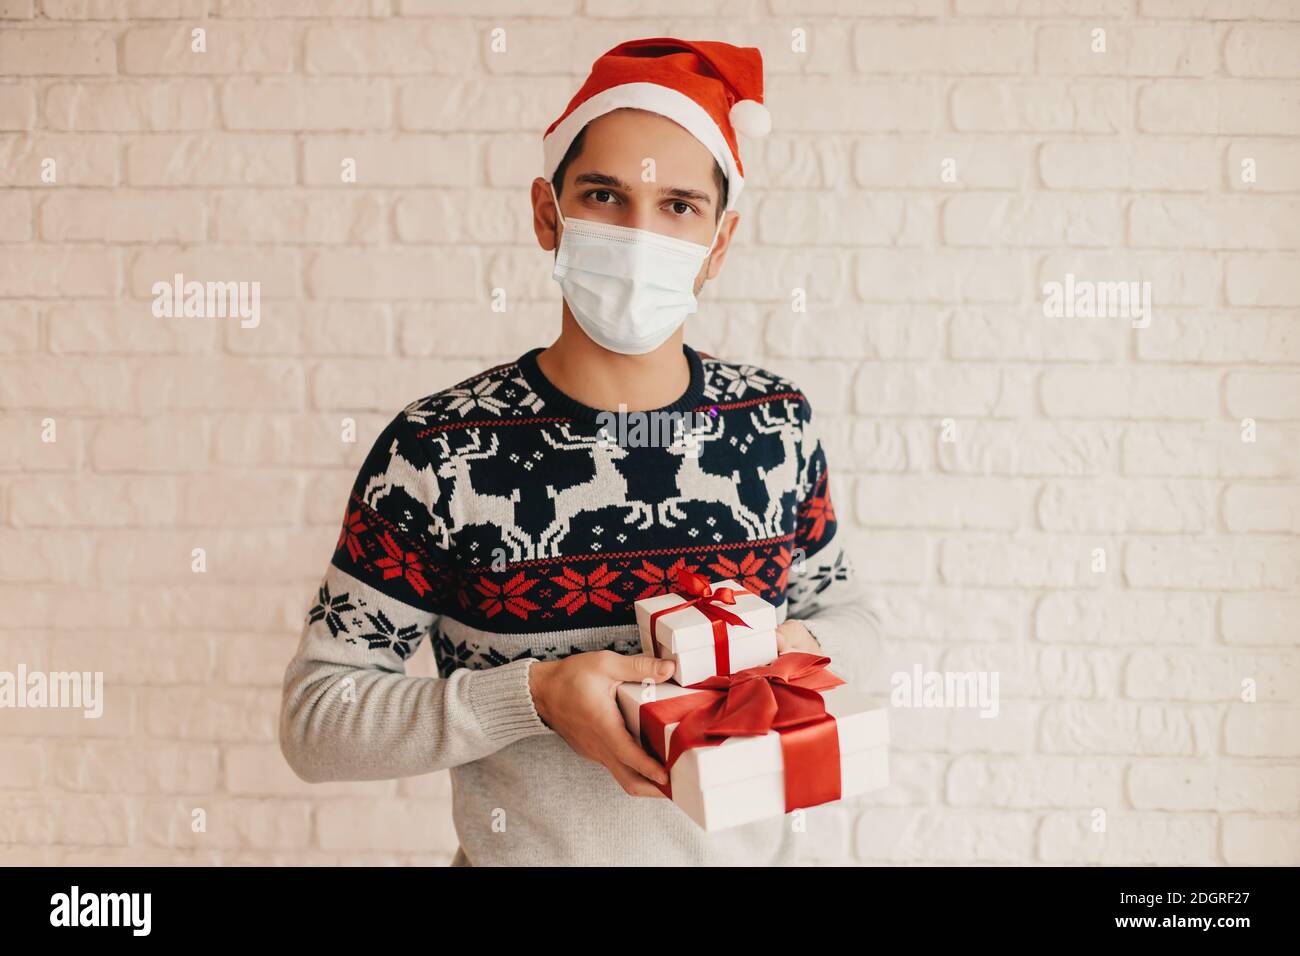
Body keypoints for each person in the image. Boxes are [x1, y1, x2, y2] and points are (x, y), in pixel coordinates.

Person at [279, 37, 882, 866]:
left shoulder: (774, 426)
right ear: (546, 214)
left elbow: (856, 632)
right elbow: (319, 723)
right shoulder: (437, 452)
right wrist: (533, 697)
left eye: (678, 206)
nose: (640, 235)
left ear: (720, 240)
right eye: (605, 195)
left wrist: (775, 651)